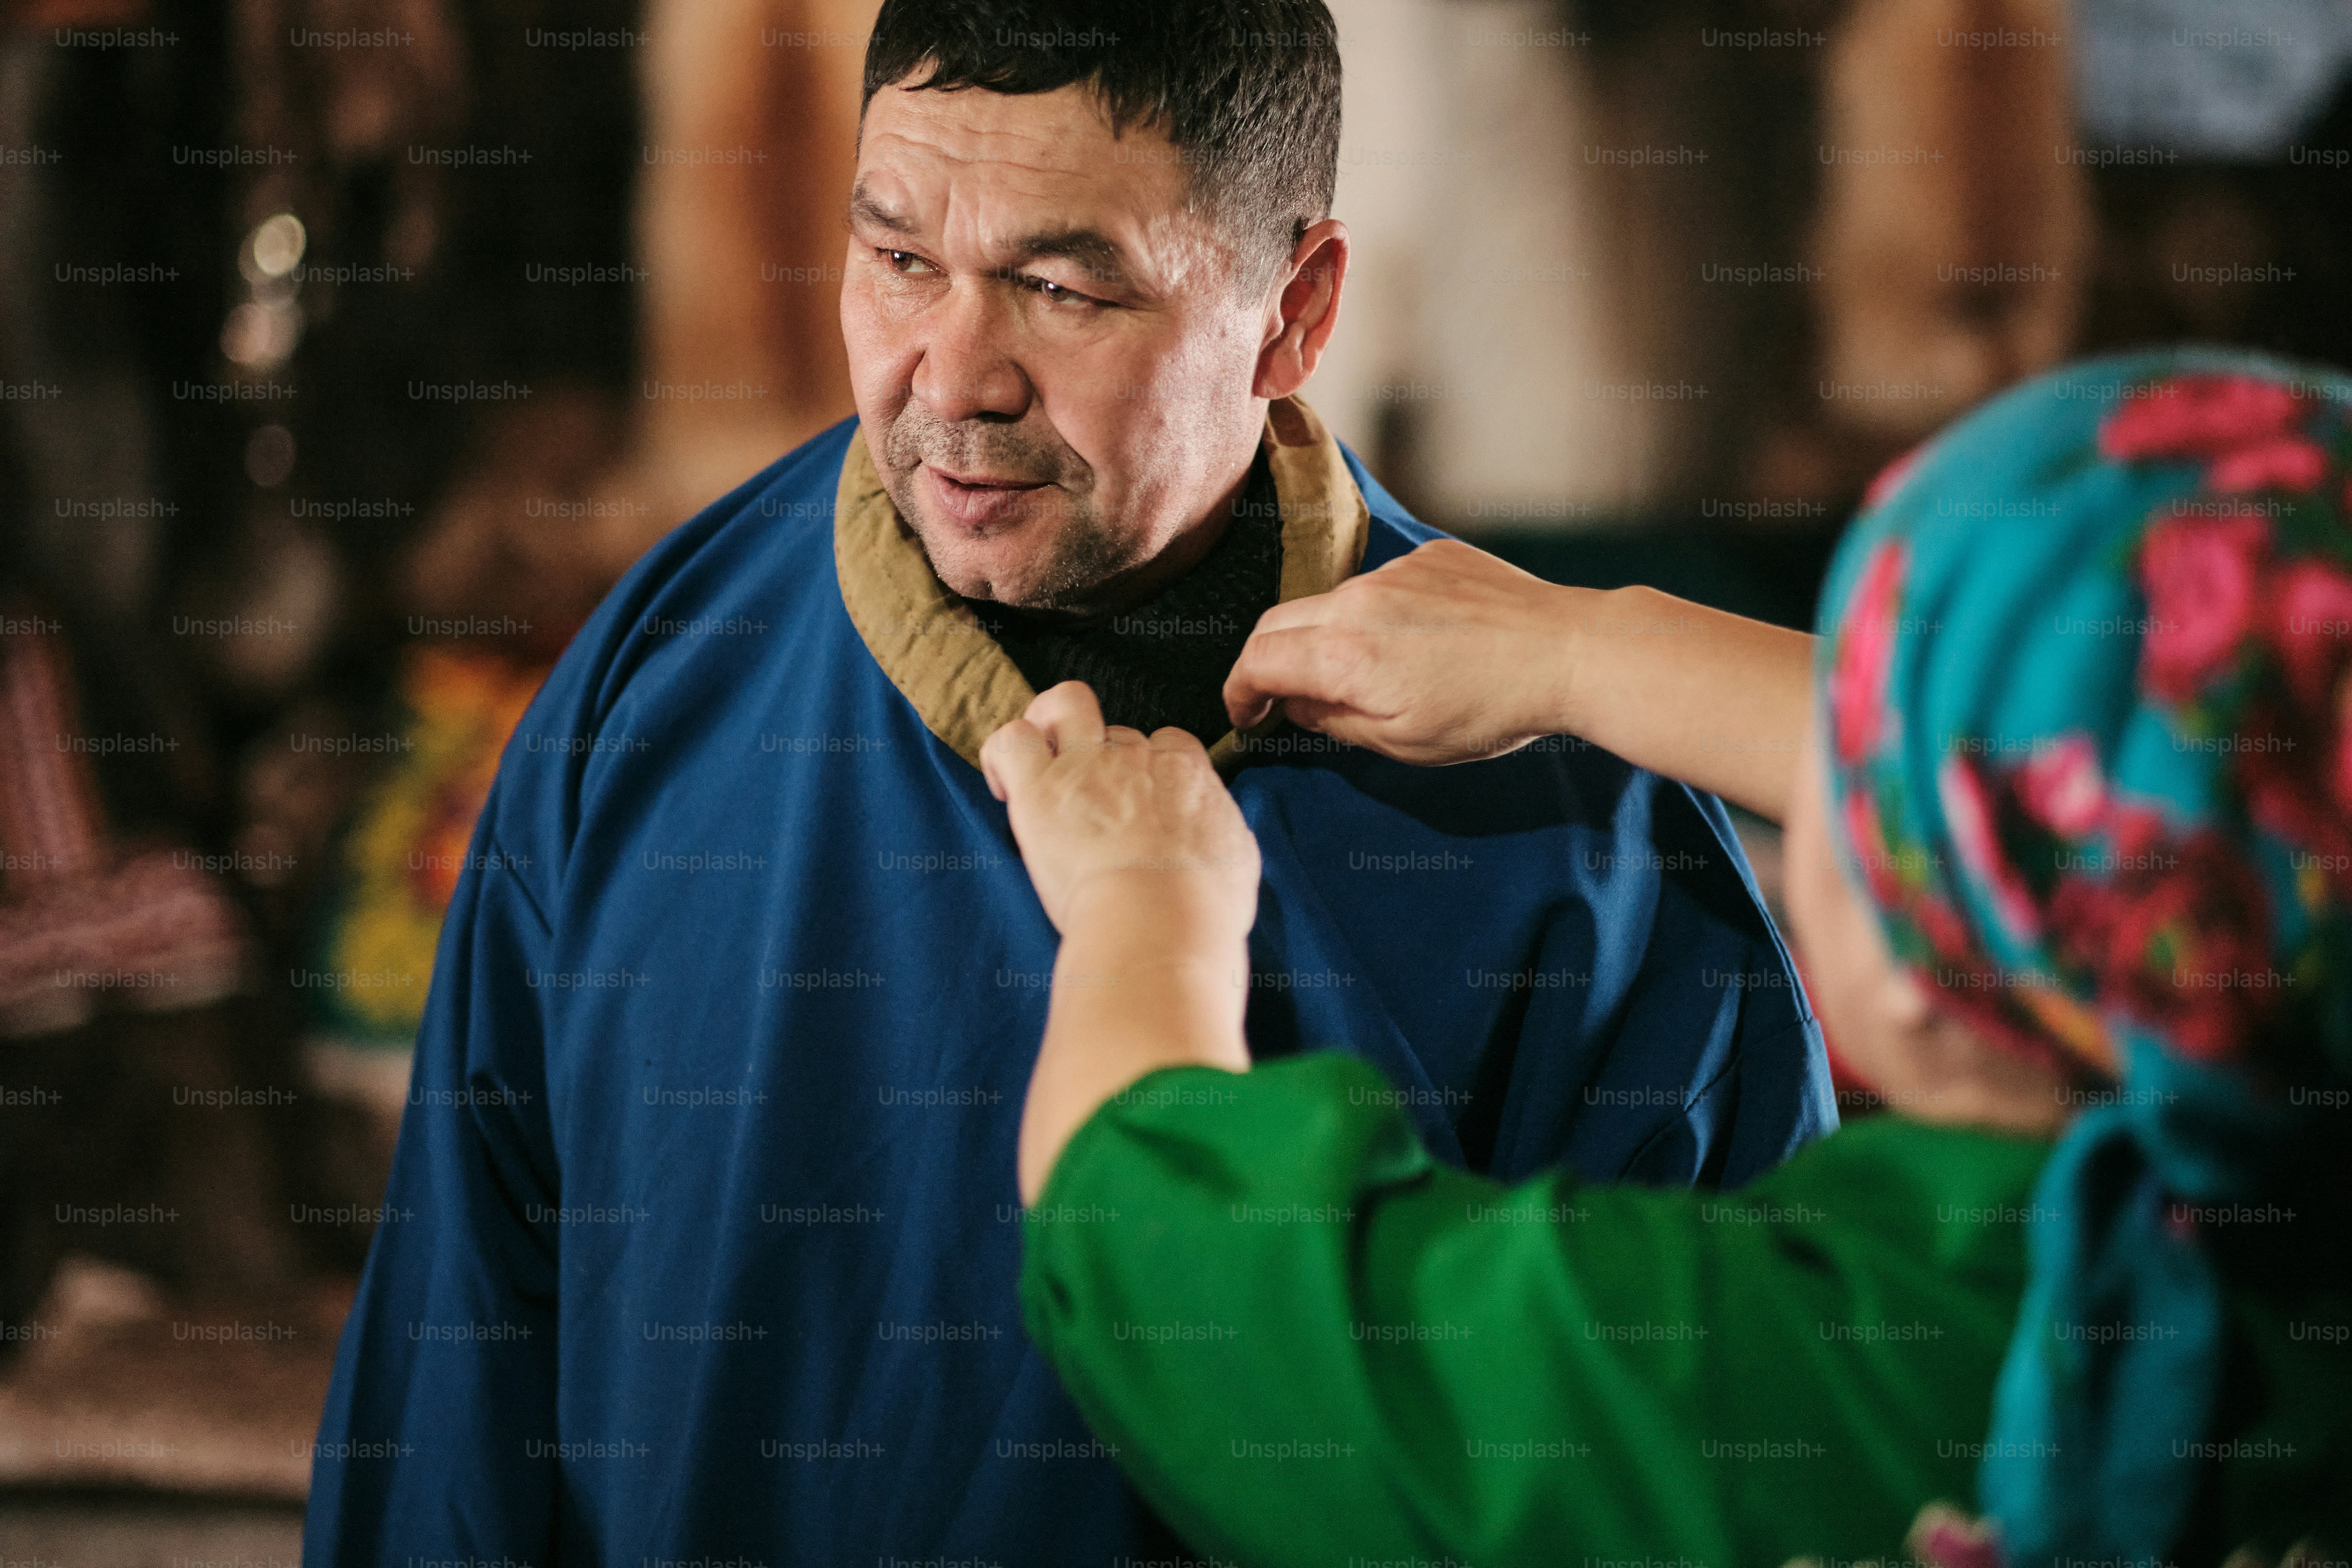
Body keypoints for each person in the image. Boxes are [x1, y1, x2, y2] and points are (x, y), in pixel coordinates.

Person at [301, 2, 1833, 1562]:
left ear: (1293, 311)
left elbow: (1710, 1479)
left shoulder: (1575, 849)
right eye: (897, 259)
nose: (951, 379)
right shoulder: (657, 684)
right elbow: (455, 1402)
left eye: (1058, 285)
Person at [990, 350, 2352, 1565]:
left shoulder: (1795, 1378)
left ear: (1926, 981)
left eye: (1850, 778)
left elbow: (1169, 1247)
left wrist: (1140, 909)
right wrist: (1590, 648)